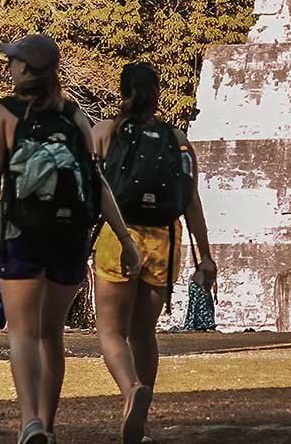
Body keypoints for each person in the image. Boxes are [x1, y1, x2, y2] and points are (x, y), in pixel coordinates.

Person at [0, 34, 141, 444]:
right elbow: (96, 179)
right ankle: (48, 427)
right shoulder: (74, 115)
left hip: (20, 234)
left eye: (13, 61)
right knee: (52, 334)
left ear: (23, 69)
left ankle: (30, 422)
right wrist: (124, 238)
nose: (9, 66)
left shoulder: (5, 112)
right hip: (70, 238)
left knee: (22, 333)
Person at [92, 62, 217, 444]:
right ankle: (142, 424)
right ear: (158, 94)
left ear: (122, 92)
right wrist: (205, 258)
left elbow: (89, 186)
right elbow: (191, 199)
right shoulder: (177, 138)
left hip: (119, 234)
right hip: (166, 238)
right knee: (144, 333)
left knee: (111, 332)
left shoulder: (105, 132)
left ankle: (131, 391)